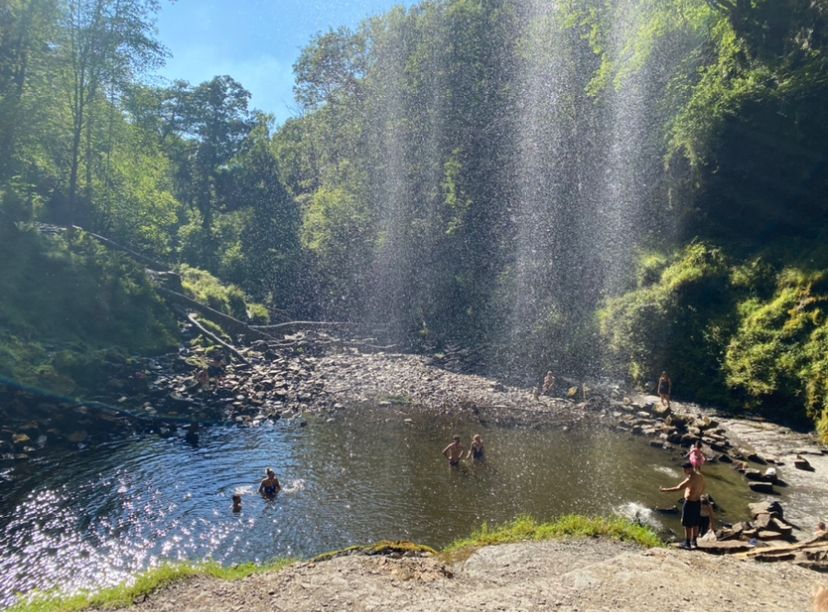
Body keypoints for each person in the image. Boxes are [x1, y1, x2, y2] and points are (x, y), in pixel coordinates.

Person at [659, 462, 705, 549]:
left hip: (690, 503)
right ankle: (694, 542)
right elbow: (703, 487)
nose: (684, 472)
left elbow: (678, 488)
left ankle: (687, 543)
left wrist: (664, 490)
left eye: (685, 470)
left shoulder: (690, 479)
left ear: (690, 468)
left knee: (687, 523)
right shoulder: (700, 476)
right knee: (695, 523)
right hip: (697, 501)